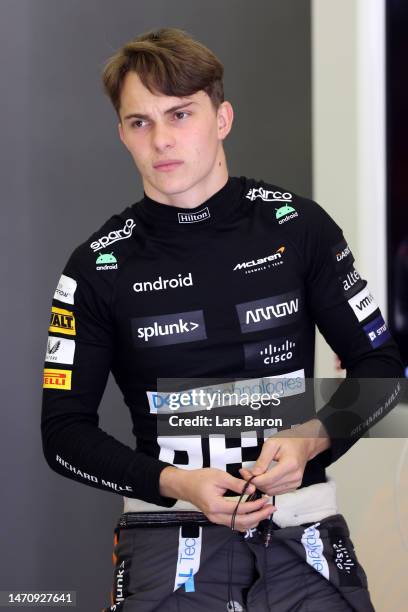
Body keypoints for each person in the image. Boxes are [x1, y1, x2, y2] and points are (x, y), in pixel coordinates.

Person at [41, 27, 404, 612]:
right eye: (141, 122)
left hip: (302, 528)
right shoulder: (96, 267)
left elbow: (385, 371)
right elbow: (61, 436)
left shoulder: (299, 228)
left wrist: (313, 437)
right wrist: (178, 485)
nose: (161, 140)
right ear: (123, 136)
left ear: (223, 118)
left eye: (180, 114)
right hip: (168, 535)